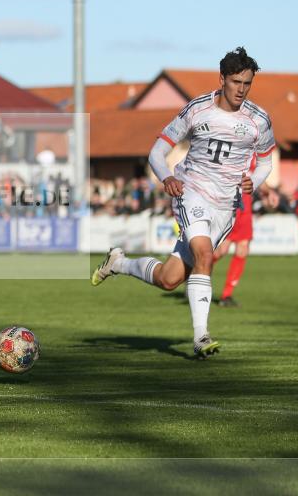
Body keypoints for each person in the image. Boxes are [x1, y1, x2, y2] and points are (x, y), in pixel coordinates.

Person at [91, 47, 275, 358]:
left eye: (247, 83)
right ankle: (202, 337)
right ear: (222, 79)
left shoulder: (259, 120)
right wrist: (167, 178)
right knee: (204, 254)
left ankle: (119, 263)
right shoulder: (196, 109)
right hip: (192, 192)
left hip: (226, 206)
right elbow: (156, 153)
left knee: (170, 279)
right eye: (236, 82)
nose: (241, 90)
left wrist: (252, 182)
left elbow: (267, 162)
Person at [211, 155, 257, 308]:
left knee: (242, 250)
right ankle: (196, 275)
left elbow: (255, 176)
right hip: (229, 207)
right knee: (221, 250)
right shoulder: (233, 145)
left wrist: (269, 192)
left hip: (246, 209)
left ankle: (226, 295)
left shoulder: (258, 149)